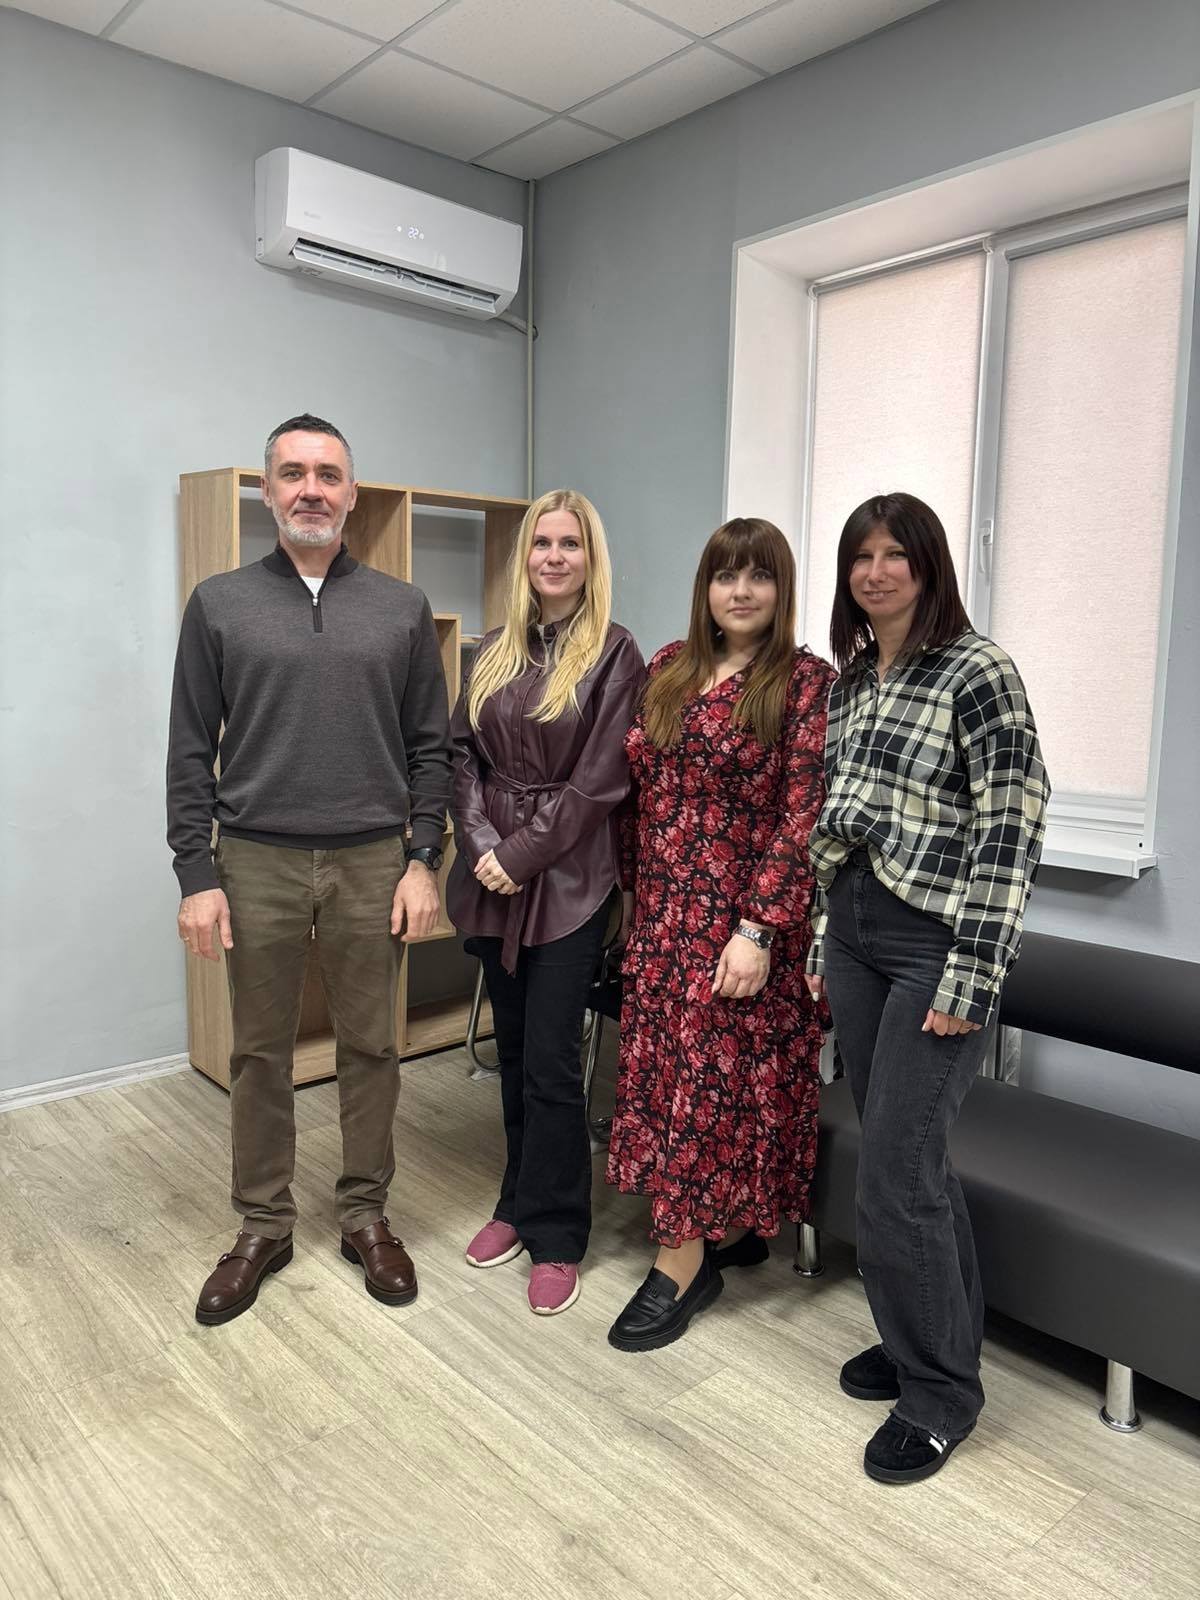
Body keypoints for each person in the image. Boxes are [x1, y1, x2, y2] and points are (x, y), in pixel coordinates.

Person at [168, 413, 452, 1326]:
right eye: (292, 473)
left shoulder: (402, 608)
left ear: (352, 494)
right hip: (256, 859)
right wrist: (196, 874)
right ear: (267, 491)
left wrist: (423, 859)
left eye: (328, 474)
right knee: (259, 1052)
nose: (311, 490)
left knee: (372, 1046)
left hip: (374, 860)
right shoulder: (219, 603)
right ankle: (264, 1224)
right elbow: (188, 749)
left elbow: (432, 749)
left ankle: (366, 1214)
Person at [806, 491, 1049, 1485]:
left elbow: (1012, 826)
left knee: (895, 1174)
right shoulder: (854, 682)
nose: (875, 572)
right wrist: (822, 938)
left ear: (928, 565)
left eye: (893, 555)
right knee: (909, 1161)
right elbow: (838, 819)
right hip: (857, 932)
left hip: (934, 945)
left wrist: (974, 969)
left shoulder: (979, 670)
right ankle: (923, 1337)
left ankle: (941, 1394)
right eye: (859, 556)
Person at [606, 518, 836, 1352]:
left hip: (738, 928)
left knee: (708, 1092)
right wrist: (630, 895)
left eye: (758, 575)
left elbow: (804, 817)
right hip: (663, 918)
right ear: (705, 587)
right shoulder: (671, 667)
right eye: (725, 575)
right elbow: (639, 791)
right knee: (669, 1079)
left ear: (781, 588)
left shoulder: (806, 683)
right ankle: (725, 1229)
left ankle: (680, 1262)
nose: (741, 591)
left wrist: (759, 928)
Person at [448, 489, 645, 1316]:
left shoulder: (616, 653)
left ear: (591, 560)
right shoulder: (490, 649)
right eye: (542, 543)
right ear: (524, 556)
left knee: (556, 1064)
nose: (554, 557)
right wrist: (481, 848)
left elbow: (602, 781)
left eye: (570, 544)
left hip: (568, 882)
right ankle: (515, 1202)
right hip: (493, 876)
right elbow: (461, 758)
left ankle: (558, 1232)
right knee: (514, 1051)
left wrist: (521, 855)